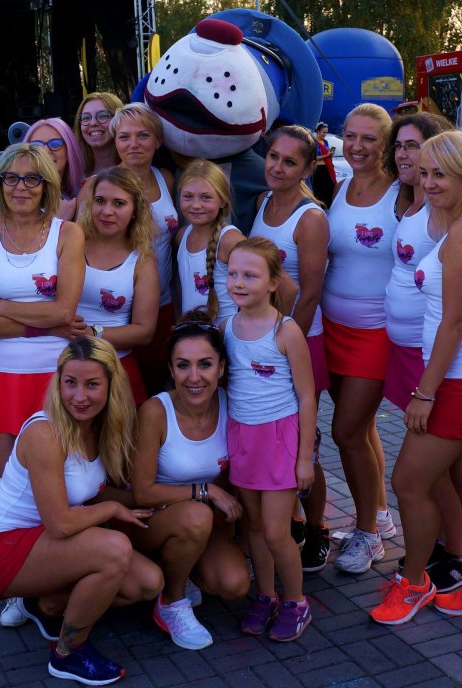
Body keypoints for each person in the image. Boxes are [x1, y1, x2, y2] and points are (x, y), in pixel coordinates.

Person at [370, 131, 462, 626]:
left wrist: (424, 393)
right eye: (425, 173)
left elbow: (453, 322)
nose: (429, 183)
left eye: (440, 175)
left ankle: (414, 582)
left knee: (409, 483)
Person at [0, 337, 163, 685]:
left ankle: (45, 605)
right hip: (2, 547)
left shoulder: (104, 429)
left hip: (46, 543)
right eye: (70, 383)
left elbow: (106, 493)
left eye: (92, 384)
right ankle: (68, 653)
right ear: (57, 382)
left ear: (111, 386)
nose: (79, 396)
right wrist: (109, 510)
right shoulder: (44, 432)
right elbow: (60, 523)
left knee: (147, 584)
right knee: (115, 549)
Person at [0, 142, 85, 626]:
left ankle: (64, 573)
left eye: (32, 179)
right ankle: (23, 581)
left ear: (48, 187)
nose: (20, 187)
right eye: (11, 178)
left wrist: (2, 307)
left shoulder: (67, 234)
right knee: (13, 485)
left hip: (57, 377)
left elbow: (65, 311)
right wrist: (45, 322)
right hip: (0, 376)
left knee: (66, 481)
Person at [382, 112, 462, 594]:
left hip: (432, 360)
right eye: (398, 146)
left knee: (435, 464)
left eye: (414, 146)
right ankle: (445, 542)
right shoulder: (415, 206)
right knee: (435, 463)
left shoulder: (450, 217)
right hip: (405, 351)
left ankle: (459, 552)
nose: (404, 154)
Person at [130, 309, 252, 650]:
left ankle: (180, 566)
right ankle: (171, 601)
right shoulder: (156, 411)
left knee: (234, 584)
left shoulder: (231, 404)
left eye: (205, 364)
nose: (194, 377)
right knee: (198, 513)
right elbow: (141, 491)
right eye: (183, 365)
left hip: (201, 525)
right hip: (149, 521)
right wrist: (205, 490)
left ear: (222, 368)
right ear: (170, 369)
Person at [222, 236, 317, 642]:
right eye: (232, 274)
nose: (239, 282)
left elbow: (307, 395)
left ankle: (296, 601)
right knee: (255, 528)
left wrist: (305, 458)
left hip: (280, 440)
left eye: (250, 275)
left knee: (278, 532)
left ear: (274, 282)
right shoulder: (226, 326)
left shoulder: (287, 331)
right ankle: (265, 595)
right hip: (243, 437)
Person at [250, 125, 333, 572]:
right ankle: (294, 518)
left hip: (299, 340)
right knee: (274, 436)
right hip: (265, 337)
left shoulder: (310, 218)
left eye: (289, 162)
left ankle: (318, 527)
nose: (277, 168)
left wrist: (285, 345)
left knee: (304, 440)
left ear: (308, 167)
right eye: (273, 157)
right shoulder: (263, 203)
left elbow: (312, 293)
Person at [322, 104, 399, 575]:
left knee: (346, 430)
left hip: (376, 332)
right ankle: (381, 513)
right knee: (363, 429)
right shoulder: (342, 186)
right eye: (350, 136)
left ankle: (367, 534)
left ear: (385, 144)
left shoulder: (402, 194)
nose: (356, 146)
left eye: (369, 138)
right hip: (333, 327)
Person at [108, 103, 180, 396]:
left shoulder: (167, 178)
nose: (134, 144)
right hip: (121, 308)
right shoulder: (103, 186)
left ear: (158, 140)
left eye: (143, 135)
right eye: (124, 137)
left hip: (164, 305)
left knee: (157, 387)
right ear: (115, 142)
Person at [73, 167, 160, 403]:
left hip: (115, 367)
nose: (107, 211)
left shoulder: (141, 261)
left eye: (119, 203)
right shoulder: (69, 245)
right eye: (100, 200)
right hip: (65, 365)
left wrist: (93, 333)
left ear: (135, 211)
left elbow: (144, 332)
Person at [175, 159, 244, 323]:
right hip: (195, 338)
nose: (196, 205)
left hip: (227, 341)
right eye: (188, 197)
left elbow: (284, 287)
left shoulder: (230, 241)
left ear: (222, 200)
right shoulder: (182, 236)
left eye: (206, 197)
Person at [23, 118, 86, 221]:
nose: (45, 151)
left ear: (69, 149)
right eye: (36, 146)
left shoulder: (84, 193)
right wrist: (57, 219)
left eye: (55, 144)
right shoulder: (17, 196)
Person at [75, 91, 124, 177]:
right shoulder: (72, 173)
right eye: (86, 117)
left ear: (118, 120)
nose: (93, 123)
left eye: (102, 116)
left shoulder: (136, 167)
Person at [312, 122, 337, 208]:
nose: (325, 134)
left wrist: (330, 154)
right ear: (318, 131)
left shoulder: (325, 141)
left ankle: (329, 206)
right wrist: (326, 155)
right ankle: (320, 207)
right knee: (319, 190)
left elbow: (326, 153)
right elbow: (313, 157)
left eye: (326, 132)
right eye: (324, 132)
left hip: (327, 167)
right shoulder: (314, 142)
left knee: (330, 187)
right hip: (318, 169)